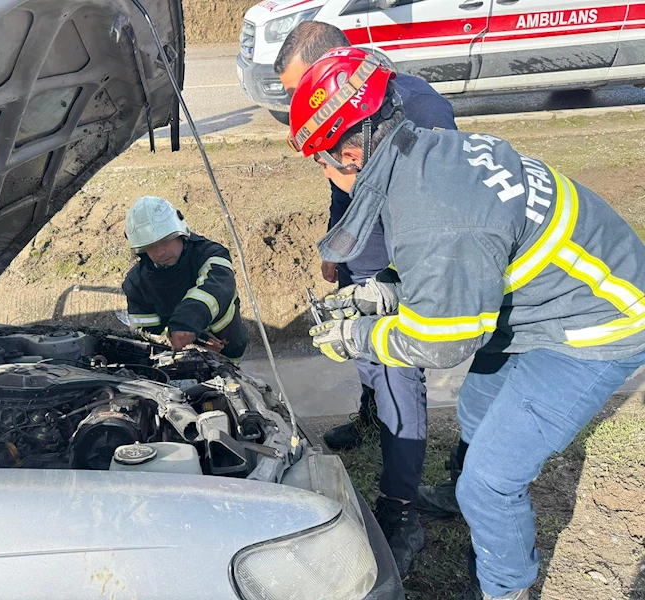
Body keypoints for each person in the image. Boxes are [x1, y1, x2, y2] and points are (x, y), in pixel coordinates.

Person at [289, 46, 645, 599]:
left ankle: (506, 588)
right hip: (542, 301)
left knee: (493, 483)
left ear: (349, 155)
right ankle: (460, 500)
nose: (324, 171)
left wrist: (355, 335)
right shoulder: (427, 152)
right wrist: (383, 293)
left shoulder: (433, 214)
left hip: (596, 326)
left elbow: (442, 341)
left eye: (320, 159)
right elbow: (464, 270)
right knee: (478, 410)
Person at [274, 21, 457, 576]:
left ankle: (401, 511)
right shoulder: (339, 112)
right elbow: (340, 186)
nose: (295, 104)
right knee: (363, 353)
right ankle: (373, 415)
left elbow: (438, 202)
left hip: (401, 266)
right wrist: (337, 245)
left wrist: (398, 281)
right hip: (361, 255)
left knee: (400, 370)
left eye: (297, 87)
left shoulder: (418, 106)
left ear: (334, 64)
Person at [122, 196, 249, 361]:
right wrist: (193, 342)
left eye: (165, 241)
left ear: (179, 233)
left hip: (229, 347)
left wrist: (187, 322)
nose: (160, 252)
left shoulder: (212, 255)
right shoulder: (136, 283)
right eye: (150, 246)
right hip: (178, 358)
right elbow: (147, 334)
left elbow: (215, 289)